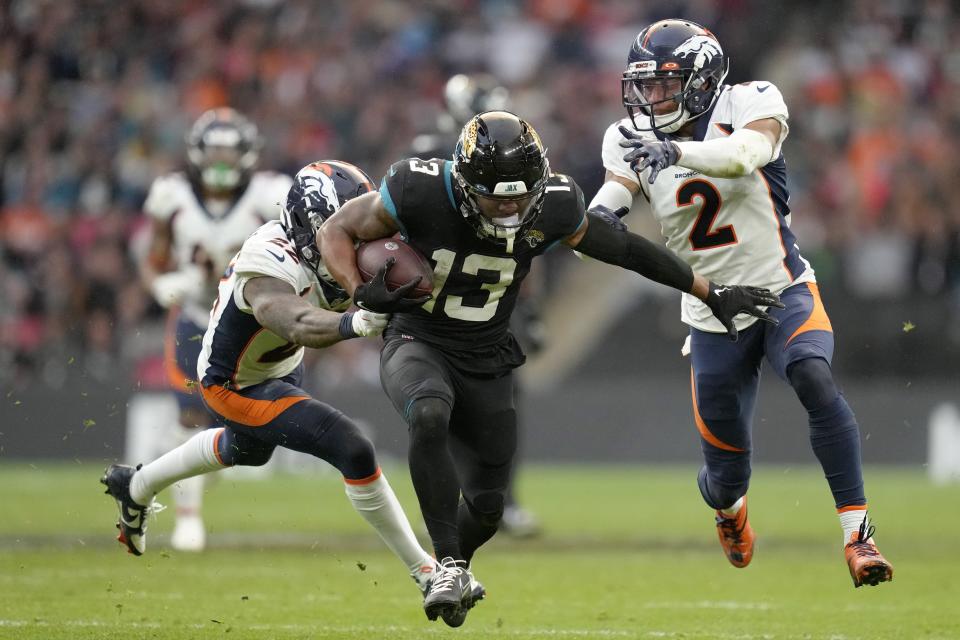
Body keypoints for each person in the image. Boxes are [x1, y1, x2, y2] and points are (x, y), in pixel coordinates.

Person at [317, 110, 781, 626]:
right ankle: (443, 565)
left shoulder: (555, 205)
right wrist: (360, 294)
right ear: (466, 184)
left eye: (521, 196)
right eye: (498, 198)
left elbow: (623, 248)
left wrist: (708, 291)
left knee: (489, 506)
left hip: (488, 355)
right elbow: (337, 229)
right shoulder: (417, 189)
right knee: (428, 412)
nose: (512, 209)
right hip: (418, 337)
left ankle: (458, 565)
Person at [597, 18, 893, 587]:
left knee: (813, 376)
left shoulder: (751, 101)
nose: (652, 97)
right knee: (725, 476)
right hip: (712, 315)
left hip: (782, 289)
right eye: (645, 86)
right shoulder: (626, 136)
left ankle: (859, 536)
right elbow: (616, 195)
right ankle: (729, 513)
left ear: (702, 80)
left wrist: (674, 148)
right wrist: (594, 217)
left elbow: (741, 155)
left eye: (666, 84)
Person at [103, 160, 438, 598]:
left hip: (279, 366)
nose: (361, 238)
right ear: (313, 224)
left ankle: (136, 486)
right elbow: (294, 321)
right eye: (348, 228)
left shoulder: (347, 244)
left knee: (249, 449)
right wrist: (353, 324)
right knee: (351, 446)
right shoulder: (269, 258)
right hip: (234, 381)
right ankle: (427, 572)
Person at [136, 108, 293, 551]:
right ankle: (189, 517)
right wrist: (161, 284)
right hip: (194, 316)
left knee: (240, 430)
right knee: (190, 415)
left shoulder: (270, 194)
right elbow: (154, 257)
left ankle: (188, 486)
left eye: (230, 151)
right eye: (215, 151)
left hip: (251, 322)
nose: (222, 162)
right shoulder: (173, 194)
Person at [411, 73, 543, 539]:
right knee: (440, 403)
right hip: (441, 296)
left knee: (501, 404)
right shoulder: (431, 155)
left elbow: (532, 232)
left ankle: (502, 500)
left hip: (496, 296)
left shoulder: (517, 164)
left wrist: (533, 306)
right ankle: (453, 502)